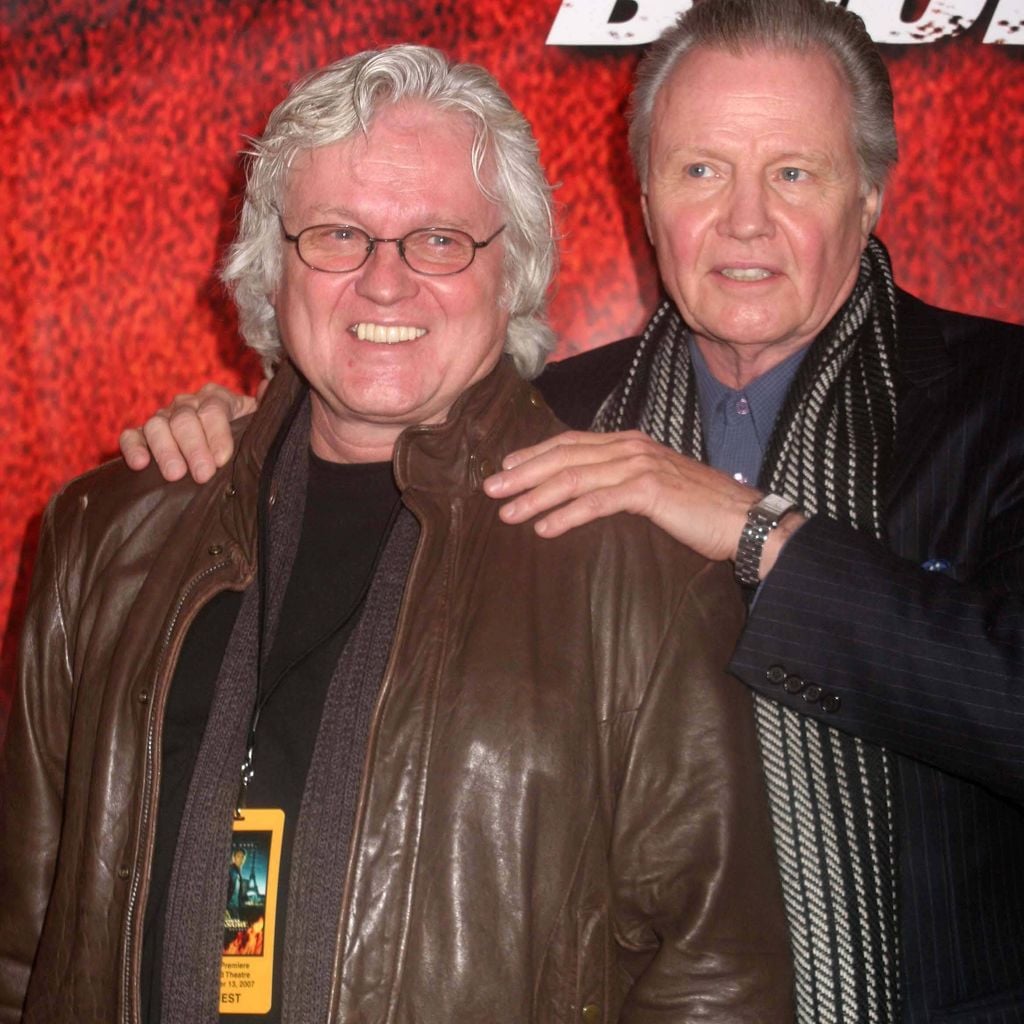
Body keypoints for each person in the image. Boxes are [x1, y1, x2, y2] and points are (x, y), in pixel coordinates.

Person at [123, 2, 1024, 1021]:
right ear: (643, 197)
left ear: (867, 195)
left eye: (792, 173)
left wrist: (756, 530)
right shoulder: (544, 411)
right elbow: (353, 444)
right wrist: (235, 438)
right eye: (700, 171)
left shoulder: (999, 402)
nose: (743, 220)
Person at [0, 44, 793, 1024]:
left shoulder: (633, 568)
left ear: (514, 271)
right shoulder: (109, 533)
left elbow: (713, 979)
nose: (384, 282)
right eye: (337, 234)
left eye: (439, 240)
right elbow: (25, 941)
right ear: (270, 268)